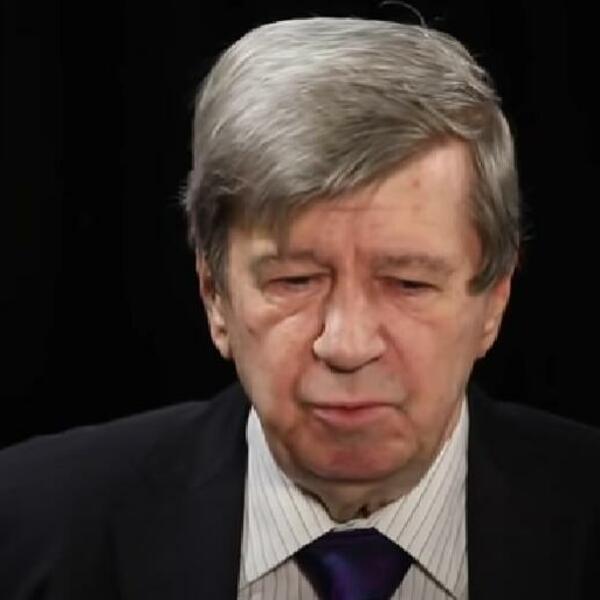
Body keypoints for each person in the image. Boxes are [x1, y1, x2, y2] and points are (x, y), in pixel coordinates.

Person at [1, 16, 599, 600]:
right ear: (214, 294)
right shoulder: (25, 525)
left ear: (494, 298)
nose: (347, 344)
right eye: (295, 281)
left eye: (408, 283)